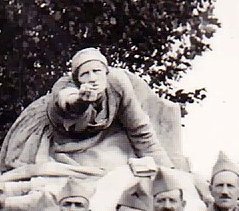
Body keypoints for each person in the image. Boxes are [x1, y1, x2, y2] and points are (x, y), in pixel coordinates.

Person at [33, 47, 172, 170]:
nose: (92, 78)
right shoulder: (65, 86)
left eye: (97, 71)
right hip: (66, 140)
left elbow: (139, 128)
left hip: (105, 135)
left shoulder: (117, 83)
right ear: (77, 79)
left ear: (106, 72)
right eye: (85, 74)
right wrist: (80, 101)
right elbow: (66, 101)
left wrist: (167, 169)